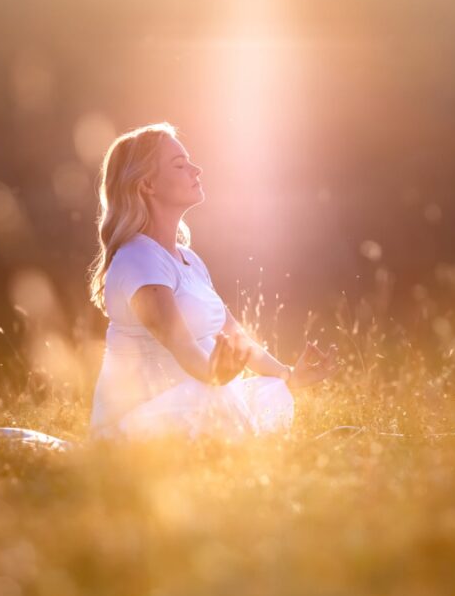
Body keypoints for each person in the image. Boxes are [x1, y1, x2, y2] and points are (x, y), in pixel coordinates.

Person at [86, 122, 340, 442]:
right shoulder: (138, 259)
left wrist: (290, 374)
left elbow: (235, 334)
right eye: (180, 165)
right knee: (216, 396)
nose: (196, 169)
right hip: (134, 423)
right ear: (147, 184)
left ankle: (248, 435)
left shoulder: (188, 259)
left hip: (192, 398)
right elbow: (181, 344)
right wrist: (213, 376)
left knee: (272, 388)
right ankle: (259, 444)